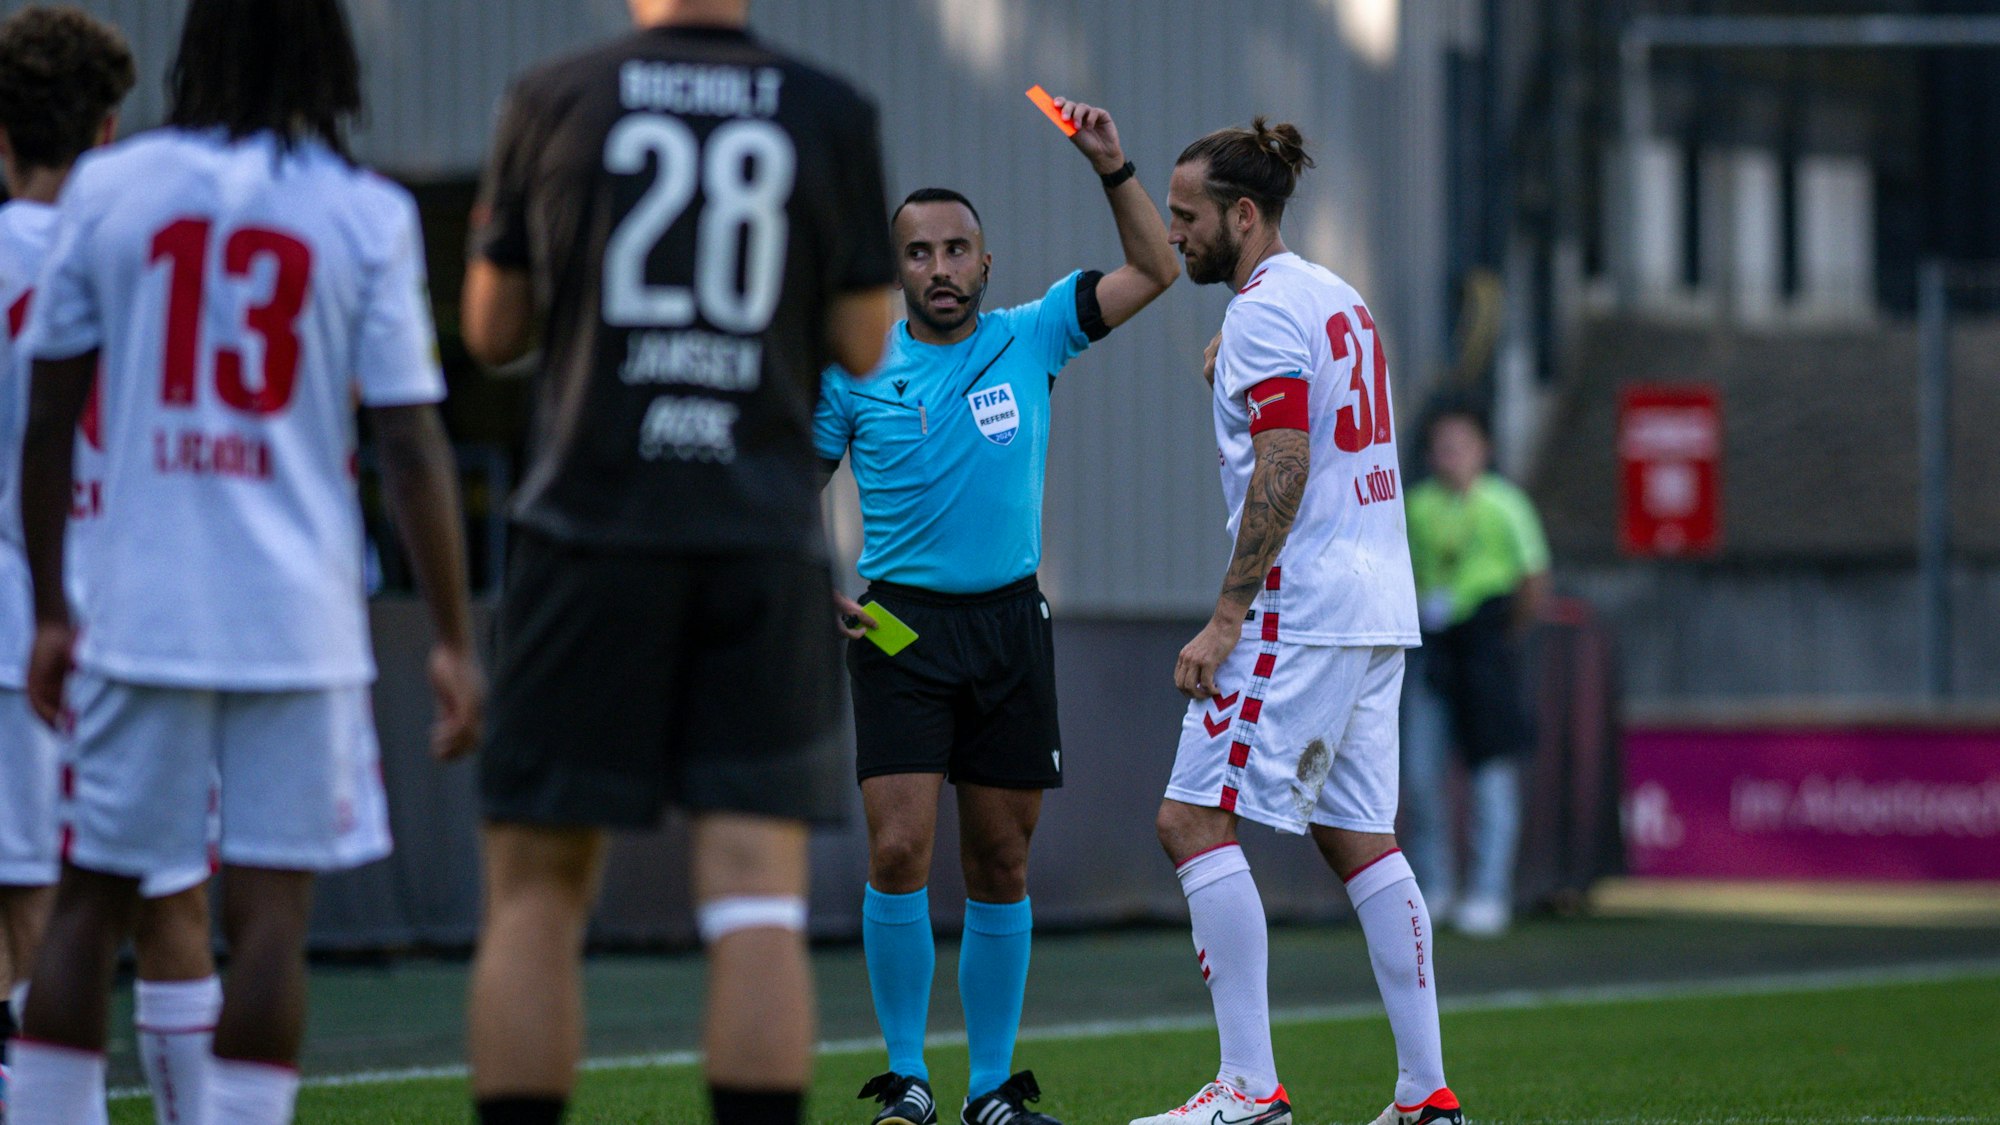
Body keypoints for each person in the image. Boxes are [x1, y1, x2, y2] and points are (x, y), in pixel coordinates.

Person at [9, 1, 483, 1122]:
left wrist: (48, 607)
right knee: (271, 919)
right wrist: (454, 639)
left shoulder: (116, 190)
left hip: (137, 599)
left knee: (87, 902)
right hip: (297, 614)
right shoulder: (363, 210)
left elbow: (48, 412)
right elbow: (410, 442)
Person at [458, 0, 895, 1119]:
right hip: (756, 533)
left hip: (587, 527)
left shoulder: (552, 97)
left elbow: (491, 327)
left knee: (536, 895)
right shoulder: (832, 110)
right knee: (753, 897)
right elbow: (862, 342)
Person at [815, 94, 1176, 1125]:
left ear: (985, 261)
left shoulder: (1033, 335)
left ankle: (988, 1093)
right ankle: (905, 1082)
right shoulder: (857, 367)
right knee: (895, 849)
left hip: (1011, 626)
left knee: (1002, 858)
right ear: (899, 270)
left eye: (956, 249)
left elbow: (1154, 271)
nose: (938, 267)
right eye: (919, 252)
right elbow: (784, 485)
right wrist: (810, 585)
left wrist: (1110, 166)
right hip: (896, 627)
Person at [1136, 119, 1462, 1125]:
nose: (1173, 233)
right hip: (1377, 607)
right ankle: (1424, 1092)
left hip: (1297, 604)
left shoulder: (1261, 316)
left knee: (1190, 818)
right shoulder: (1334, 297)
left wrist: (1226, 615)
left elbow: (1285, 461)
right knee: (1358, 835)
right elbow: (1306, 419)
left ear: (1242, 214)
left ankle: (1248, 1086)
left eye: (1187, 217)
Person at [0, 14, 226, 1124]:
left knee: (38, 898)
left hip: (13, 620)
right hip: (148, 617)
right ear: (108, 126)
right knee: (173, 900)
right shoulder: (158, 265)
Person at [1400, 403, 1550, 937]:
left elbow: (1534, 580)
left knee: (1491, 777)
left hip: (1485, 652)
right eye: (1441, 445)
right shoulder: (1415, 506)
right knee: (1420, 774)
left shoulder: (1506, 505)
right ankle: (1433, 887)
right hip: (1433, 651)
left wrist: (1503, 636)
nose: (1451, 455)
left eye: (1460, 444)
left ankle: (1489, 892)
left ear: (1483, 450)